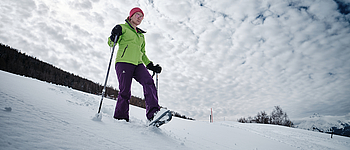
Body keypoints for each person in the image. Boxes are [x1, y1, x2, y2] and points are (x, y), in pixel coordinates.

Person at [107, 7, 162, 122]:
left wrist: (150, 65)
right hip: (123, 62)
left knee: (149, 82)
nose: (140, 18)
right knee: (125, 90)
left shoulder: (141, 35)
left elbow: (143, 53)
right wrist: (113, 34)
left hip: (138, 64)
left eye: (141, 16)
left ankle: (154, 114)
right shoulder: (122, 28)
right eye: (137, 15)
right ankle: (121, 118)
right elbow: (111, 43)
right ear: (130, 16)